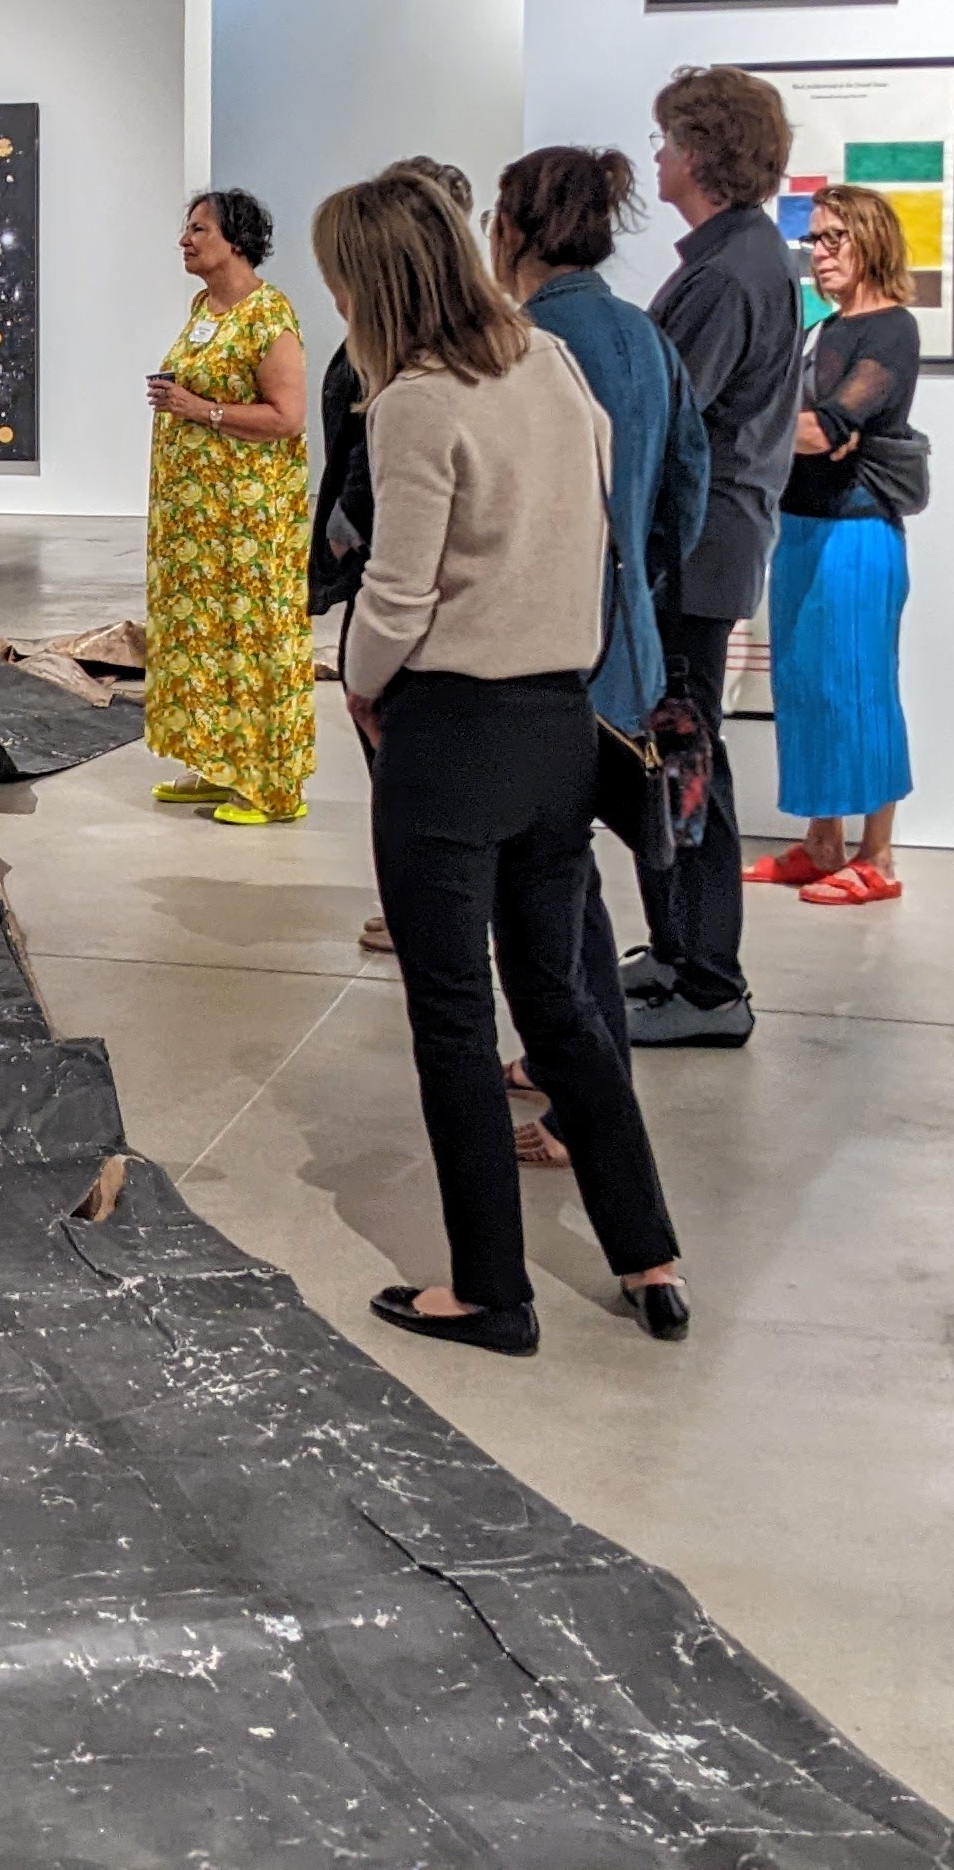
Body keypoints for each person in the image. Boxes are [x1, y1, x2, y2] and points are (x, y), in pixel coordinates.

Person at [317, 165, 688, 1357]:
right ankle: (649, 1257)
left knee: (452, 1021)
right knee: (563, 1003)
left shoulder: (419, 402)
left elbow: (399, 589)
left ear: (370, 282)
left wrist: (360, 682)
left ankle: (491, 1288)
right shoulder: (550, 365)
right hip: (557, 728)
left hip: (451, 735)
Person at [494, 147, 711, 1020]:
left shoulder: (521, 346)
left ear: (513, 229)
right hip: (629, 644)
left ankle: (570, 1083)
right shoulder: (645, 337)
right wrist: (639, 587)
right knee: (569, 867)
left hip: (539, 652)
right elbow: (686, 488)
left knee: (547, 891)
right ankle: (573, 1071)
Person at [627, 67, 800, 1045]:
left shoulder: (731, 274)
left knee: (687, 762)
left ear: (697, 152)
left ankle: (709, 985)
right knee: (675, 757)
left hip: (694, 551)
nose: (657, 156)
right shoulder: (735, 259)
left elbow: (666, 415)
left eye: (664, 140)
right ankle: (684, 950)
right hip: (702, 547)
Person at [759, 184, 922, 908]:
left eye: (833, 240)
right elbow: (803, 427)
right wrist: (791, 429)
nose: (818, 254)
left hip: (856, 531)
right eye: (812, 241)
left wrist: (756, 432)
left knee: (860, 686)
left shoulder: (889, 328)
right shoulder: (820, 328)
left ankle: (877, 855)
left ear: (870, 241)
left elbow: (824, 429)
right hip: (800, 524)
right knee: (805, 684)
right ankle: (824, 843)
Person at [142, 188, 316, 827]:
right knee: (203, 641)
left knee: (252, 639)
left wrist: (202, 410)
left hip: (246, 522)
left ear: (236, 240)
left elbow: (288, 418)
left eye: (199, 230)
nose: (185, 240)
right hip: (194, 523)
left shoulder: (269, 316)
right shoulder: (203, 307)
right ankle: (219, 764)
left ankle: (271, 787)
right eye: (186, 229)